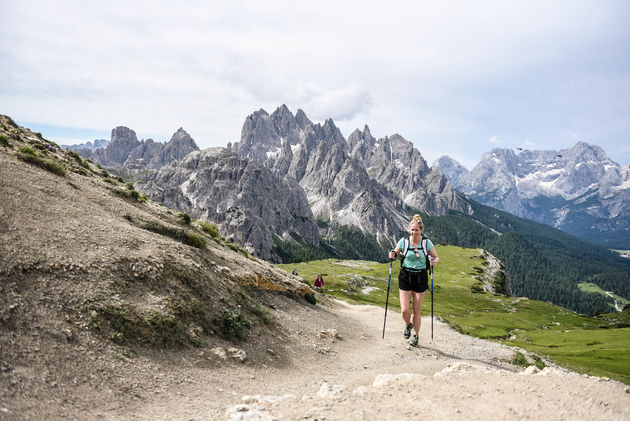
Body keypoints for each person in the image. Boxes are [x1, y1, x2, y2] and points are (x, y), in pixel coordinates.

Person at [388, 214, 439, 347]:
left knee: (416, 310)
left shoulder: (426, 242)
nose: (414, 232)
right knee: (404, 310)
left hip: (421, 277)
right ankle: (408, 325)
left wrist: (434, 262)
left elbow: (436, 257)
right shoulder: (403, 242)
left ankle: (416, 336)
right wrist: (392, 254)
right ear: (409, 230)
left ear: (421, 230)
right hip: (405, 276)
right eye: (412, 230)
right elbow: (395, 253)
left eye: (416, 230)